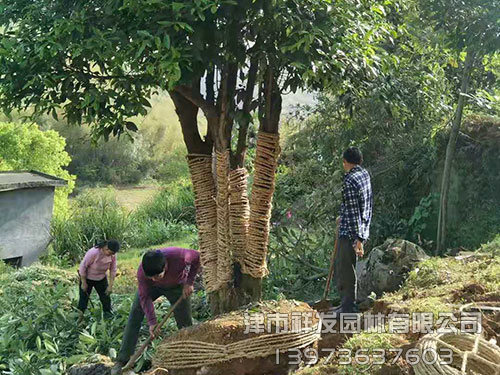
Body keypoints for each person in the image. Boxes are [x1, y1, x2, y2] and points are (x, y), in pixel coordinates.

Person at [111, 247, 200, 375]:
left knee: (185, 323)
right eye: (150, 277)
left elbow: (197, 257)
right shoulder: (143, 273)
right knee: (136, 311)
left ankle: (190, 356)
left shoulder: (180, 256)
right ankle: (123, 359)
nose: (154, 278)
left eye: (158, 275)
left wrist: (189, 282)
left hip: (177, 287)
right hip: (153, 289)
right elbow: (145, 297)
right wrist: (152, 322)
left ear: (165, 266)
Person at [334, 147, 373, 314]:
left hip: (350, 232)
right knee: (349, 267)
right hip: (361, 227)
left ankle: (348, 307)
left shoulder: (349, 180)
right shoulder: (364, 175)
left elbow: (353, 211)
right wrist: (362, 235)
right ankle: (348, 303)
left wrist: (357, 239)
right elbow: (363, 205)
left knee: (345, 268)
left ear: (345, 162)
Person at [78, 239, 120, 320]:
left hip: (101, 278)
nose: (112, 255)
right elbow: (83, 267)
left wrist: (110, 286)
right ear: (106, 248)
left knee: (106, 298)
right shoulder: (93, 252)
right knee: (83, 299)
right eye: (110, 253)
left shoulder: (112, 255)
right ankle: (79, 318)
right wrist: (83, 282)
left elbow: (113, 269)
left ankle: (108, 316)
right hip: (87, 278)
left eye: (113, 254)